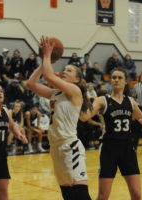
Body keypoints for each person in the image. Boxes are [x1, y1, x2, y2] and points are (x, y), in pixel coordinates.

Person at [80, 67, 142, 200]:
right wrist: (80, 98)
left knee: (137, 195)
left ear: (126, 82)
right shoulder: (102, 100)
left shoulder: (130, 101)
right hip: (109, 148)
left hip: (127, 148)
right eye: (113, 77)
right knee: (103, 196)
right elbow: (84, 117)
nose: (116, 80)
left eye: (120, 78)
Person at [25, 36, 92, 200]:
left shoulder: (75, 91)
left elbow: (48, 77)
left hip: (70, 147)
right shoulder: (55, 93)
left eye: (69, 71)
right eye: (63, 69)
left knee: (80, 194)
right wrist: (43, 62)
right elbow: (31, 84)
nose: (64, 71)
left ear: (77, 79)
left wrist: (48, 54)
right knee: (68, 195)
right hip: (55, 148)